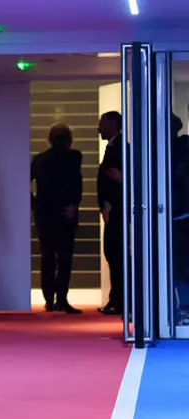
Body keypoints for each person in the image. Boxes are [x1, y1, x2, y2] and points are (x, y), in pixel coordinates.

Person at [31, 123, 82, 314]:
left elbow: (25, 180)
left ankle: (49, 299)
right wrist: (74, 205)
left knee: (47, 256)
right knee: (65, 257)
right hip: (65, 210)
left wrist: (34, 202)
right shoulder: (74, 157)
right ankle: (62, 299)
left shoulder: (39, 160)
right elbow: (77, 182)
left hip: (44, 211)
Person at [97, 111, 126, 315]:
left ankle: (119, 300)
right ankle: (116, 299)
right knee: (113, 254)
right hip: (113, 208)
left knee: (116, 254)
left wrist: (110, 203)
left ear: (114, 124)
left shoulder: (120, 148)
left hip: (117, 209)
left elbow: (115, 181)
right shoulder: (113, 147)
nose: (99, 128)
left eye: (102, 124)